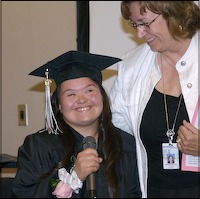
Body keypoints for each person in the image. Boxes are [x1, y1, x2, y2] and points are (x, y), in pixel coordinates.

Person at [12, 50, 142, 198]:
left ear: (102, 97)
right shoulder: (39, 146)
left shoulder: (126, 144)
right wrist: (75, 176)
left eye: (89, 90)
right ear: (59, 104)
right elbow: (23, 194)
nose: (81, 100)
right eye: (71, 94)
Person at [110, 1, 200, 198]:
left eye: (145, 23)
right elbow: (117, 133)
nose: (139, 34)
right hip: (154, 191)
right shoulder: (130, 67)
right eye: (135, 25)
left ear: (173, 13)